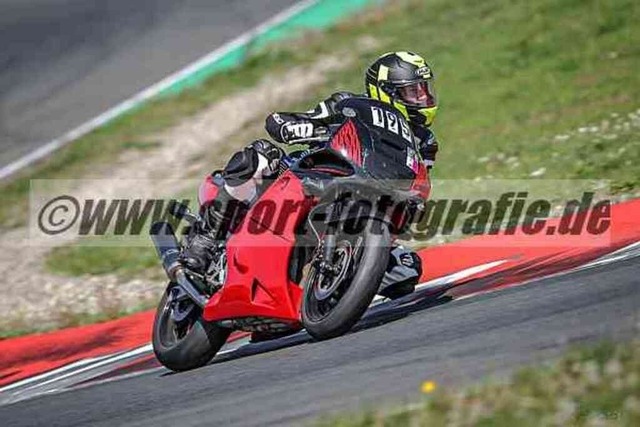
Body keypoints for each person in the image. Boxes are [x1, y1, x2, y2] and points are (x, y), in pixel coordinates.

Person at [181, 51, 439, 300]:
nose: (423, 97)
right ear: (386, 91)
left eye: (425, 90)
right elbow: (281, 121)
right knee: (260, 155)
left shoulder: (425, 142)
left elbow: (418, 180)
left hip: (368, 197)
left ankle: (329, 293)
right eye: (413, 91)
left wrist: (413, 202)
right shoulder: (347, 104)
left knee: (407, 269)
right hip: (309, 174)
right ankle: (205, 240)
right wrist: (299, 127)